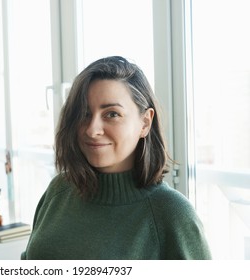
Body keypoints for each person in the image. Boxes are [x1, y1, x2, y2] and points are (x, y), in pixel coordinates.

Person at [21, 56, 211, 260]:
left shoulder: (172, 214)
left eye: (112, 114)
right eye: (84, 113)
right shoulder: (58, 190)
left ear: (145, 123)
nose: (92, 130)